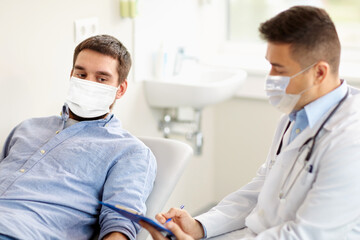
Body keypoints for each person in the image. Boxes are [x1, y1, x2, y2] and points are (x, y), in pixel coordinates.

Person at [140, 5, 360, 240]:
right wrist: (200, 226)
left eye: (279, 69)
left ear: (319, 73)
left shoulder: (349, 140)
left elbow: (306, 235)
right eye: (270, 65)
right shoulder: (295, 115)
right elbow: (262, 188)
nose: (271, 78)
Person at [0, 35, 157, 240]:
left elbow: (120, 225)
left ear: (121, 89)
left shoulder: (130, 152)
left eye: (102, 79)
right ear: (71, 75)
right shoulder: (27, 128)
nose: (89, 83)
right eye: (81, 74)